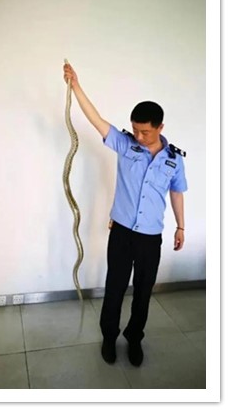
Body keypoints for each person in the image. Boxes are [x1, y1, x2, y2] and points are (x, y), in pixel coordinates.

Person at [63, 62, 187, 367]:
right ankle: (109, 337)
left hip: (150, 237)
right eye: (135, 130)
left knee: (143, 292)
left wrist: (181, 227)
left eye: (145, 132)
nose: (139, 137)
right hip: (121, 232)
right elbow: (95, 119)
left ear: (160, 128)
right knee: (115, 288)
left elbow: (177, 192)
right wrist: (75, 84)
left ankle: (134, 338)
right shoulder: (126, 145)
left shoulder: (174, 160)